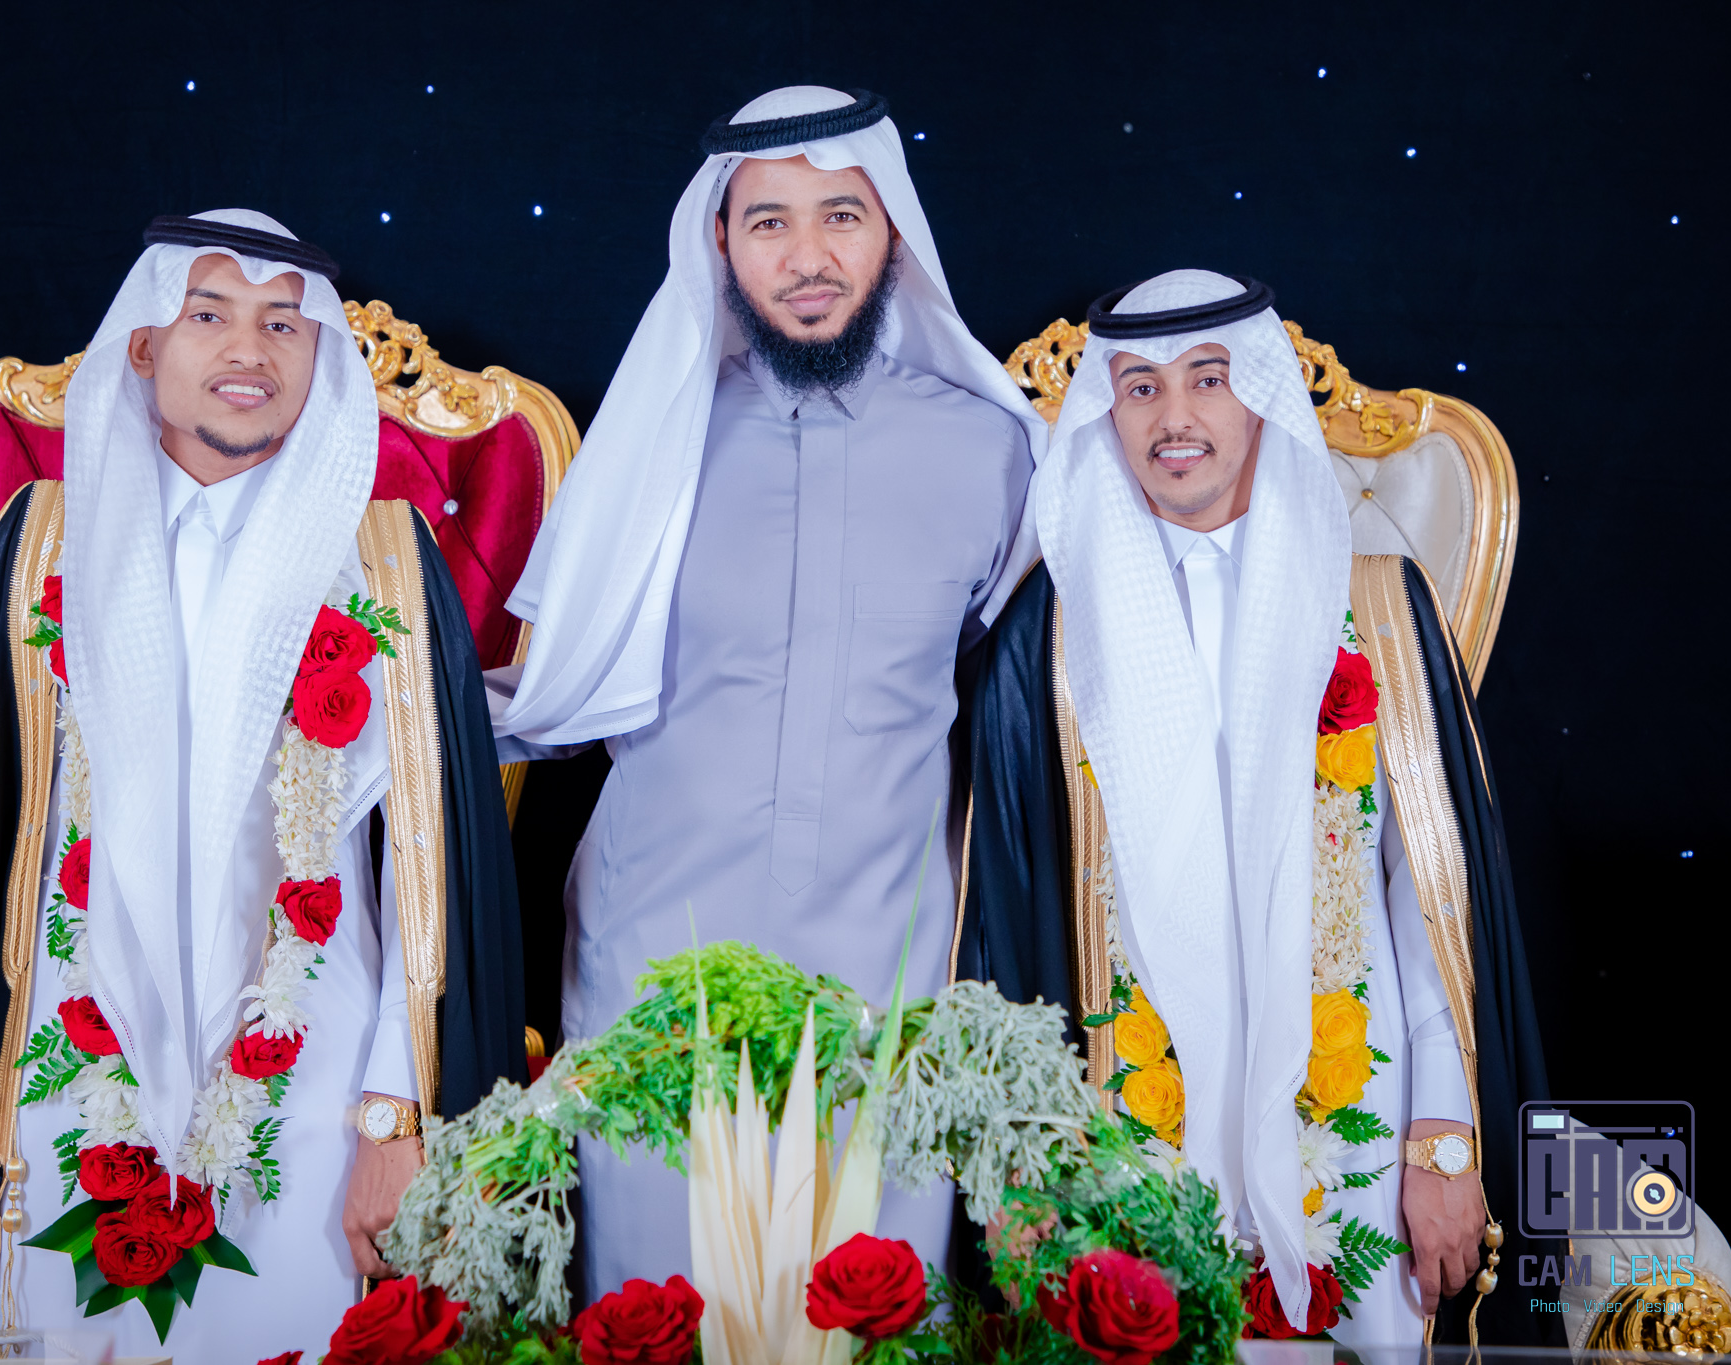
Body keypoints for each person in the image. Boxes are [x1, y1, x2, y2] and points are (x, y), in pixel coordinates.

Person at [0, 210, 526, 1357]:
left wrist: (395, 1117)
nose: (249, 349)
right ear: (145, 346)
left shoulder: (386, 562)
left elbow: (433, 868)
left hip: (315, 1084)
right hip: (66, 1057)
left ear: (318, 355)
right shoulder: (40, 548)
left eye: (282, 324)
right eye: (210, 315)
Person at [491, 87, 1042, 1298]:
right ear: (719, 244)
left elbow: (1018, 706)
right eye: (768, 222)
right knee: (653, 1314)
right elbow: (552, 686)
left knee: (872, 1315)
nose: (807, 258)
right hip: (654, 969)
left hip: (889, 981)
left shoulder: (994, 453)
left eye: (840, 216)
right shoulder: (652, 444)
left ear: (891, 233)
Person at [958, 271, 1551, 1344]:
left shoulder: (1378, 600)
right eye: (1139, 387)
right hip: (1124, 1123)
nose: (1174, 417)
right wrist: (1027, 1168)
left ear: (1264, 396)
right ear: (1106, 414)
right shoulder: (1048, 636)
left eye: (1209, 378)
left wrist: (1441, 1142)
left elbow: (1429, 902)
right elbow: (1000, 925)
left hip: (1363, 1124)